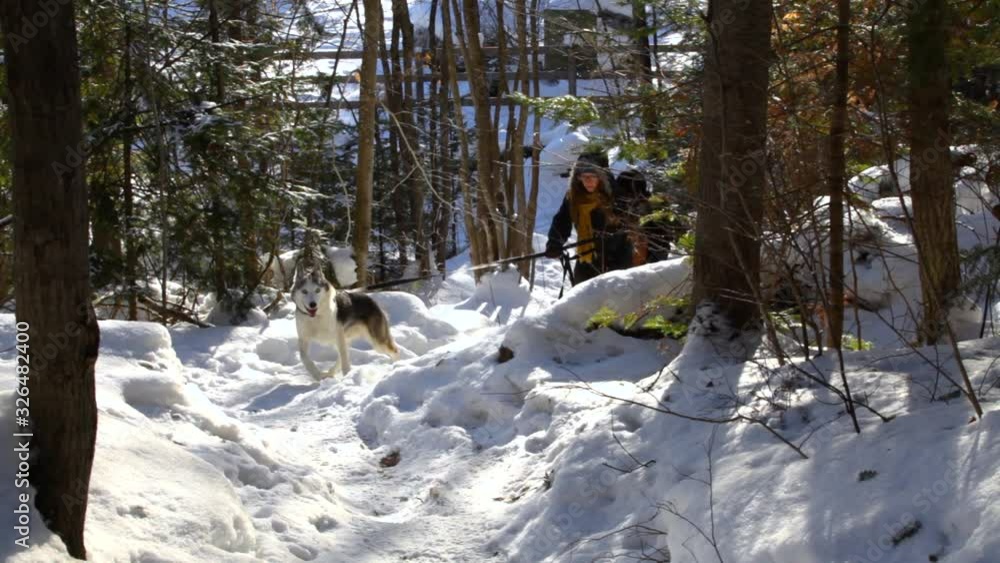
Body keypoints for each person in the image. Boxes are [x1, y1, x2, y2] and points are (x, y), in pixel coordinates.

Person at [544, 154, 632, 285]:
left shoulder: (615, 196)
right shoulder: (574, 198)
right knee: (582, 295)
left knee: (612, 300)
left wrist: (611, 240)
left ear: (601, 178)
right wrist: (554, 244)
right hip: (586, 257)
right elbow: (562, 221)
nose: (588, 181)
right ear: (578, 178)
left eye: (593, 176)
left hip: (616, 258)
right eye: (584, 177)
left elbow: (628, 227)